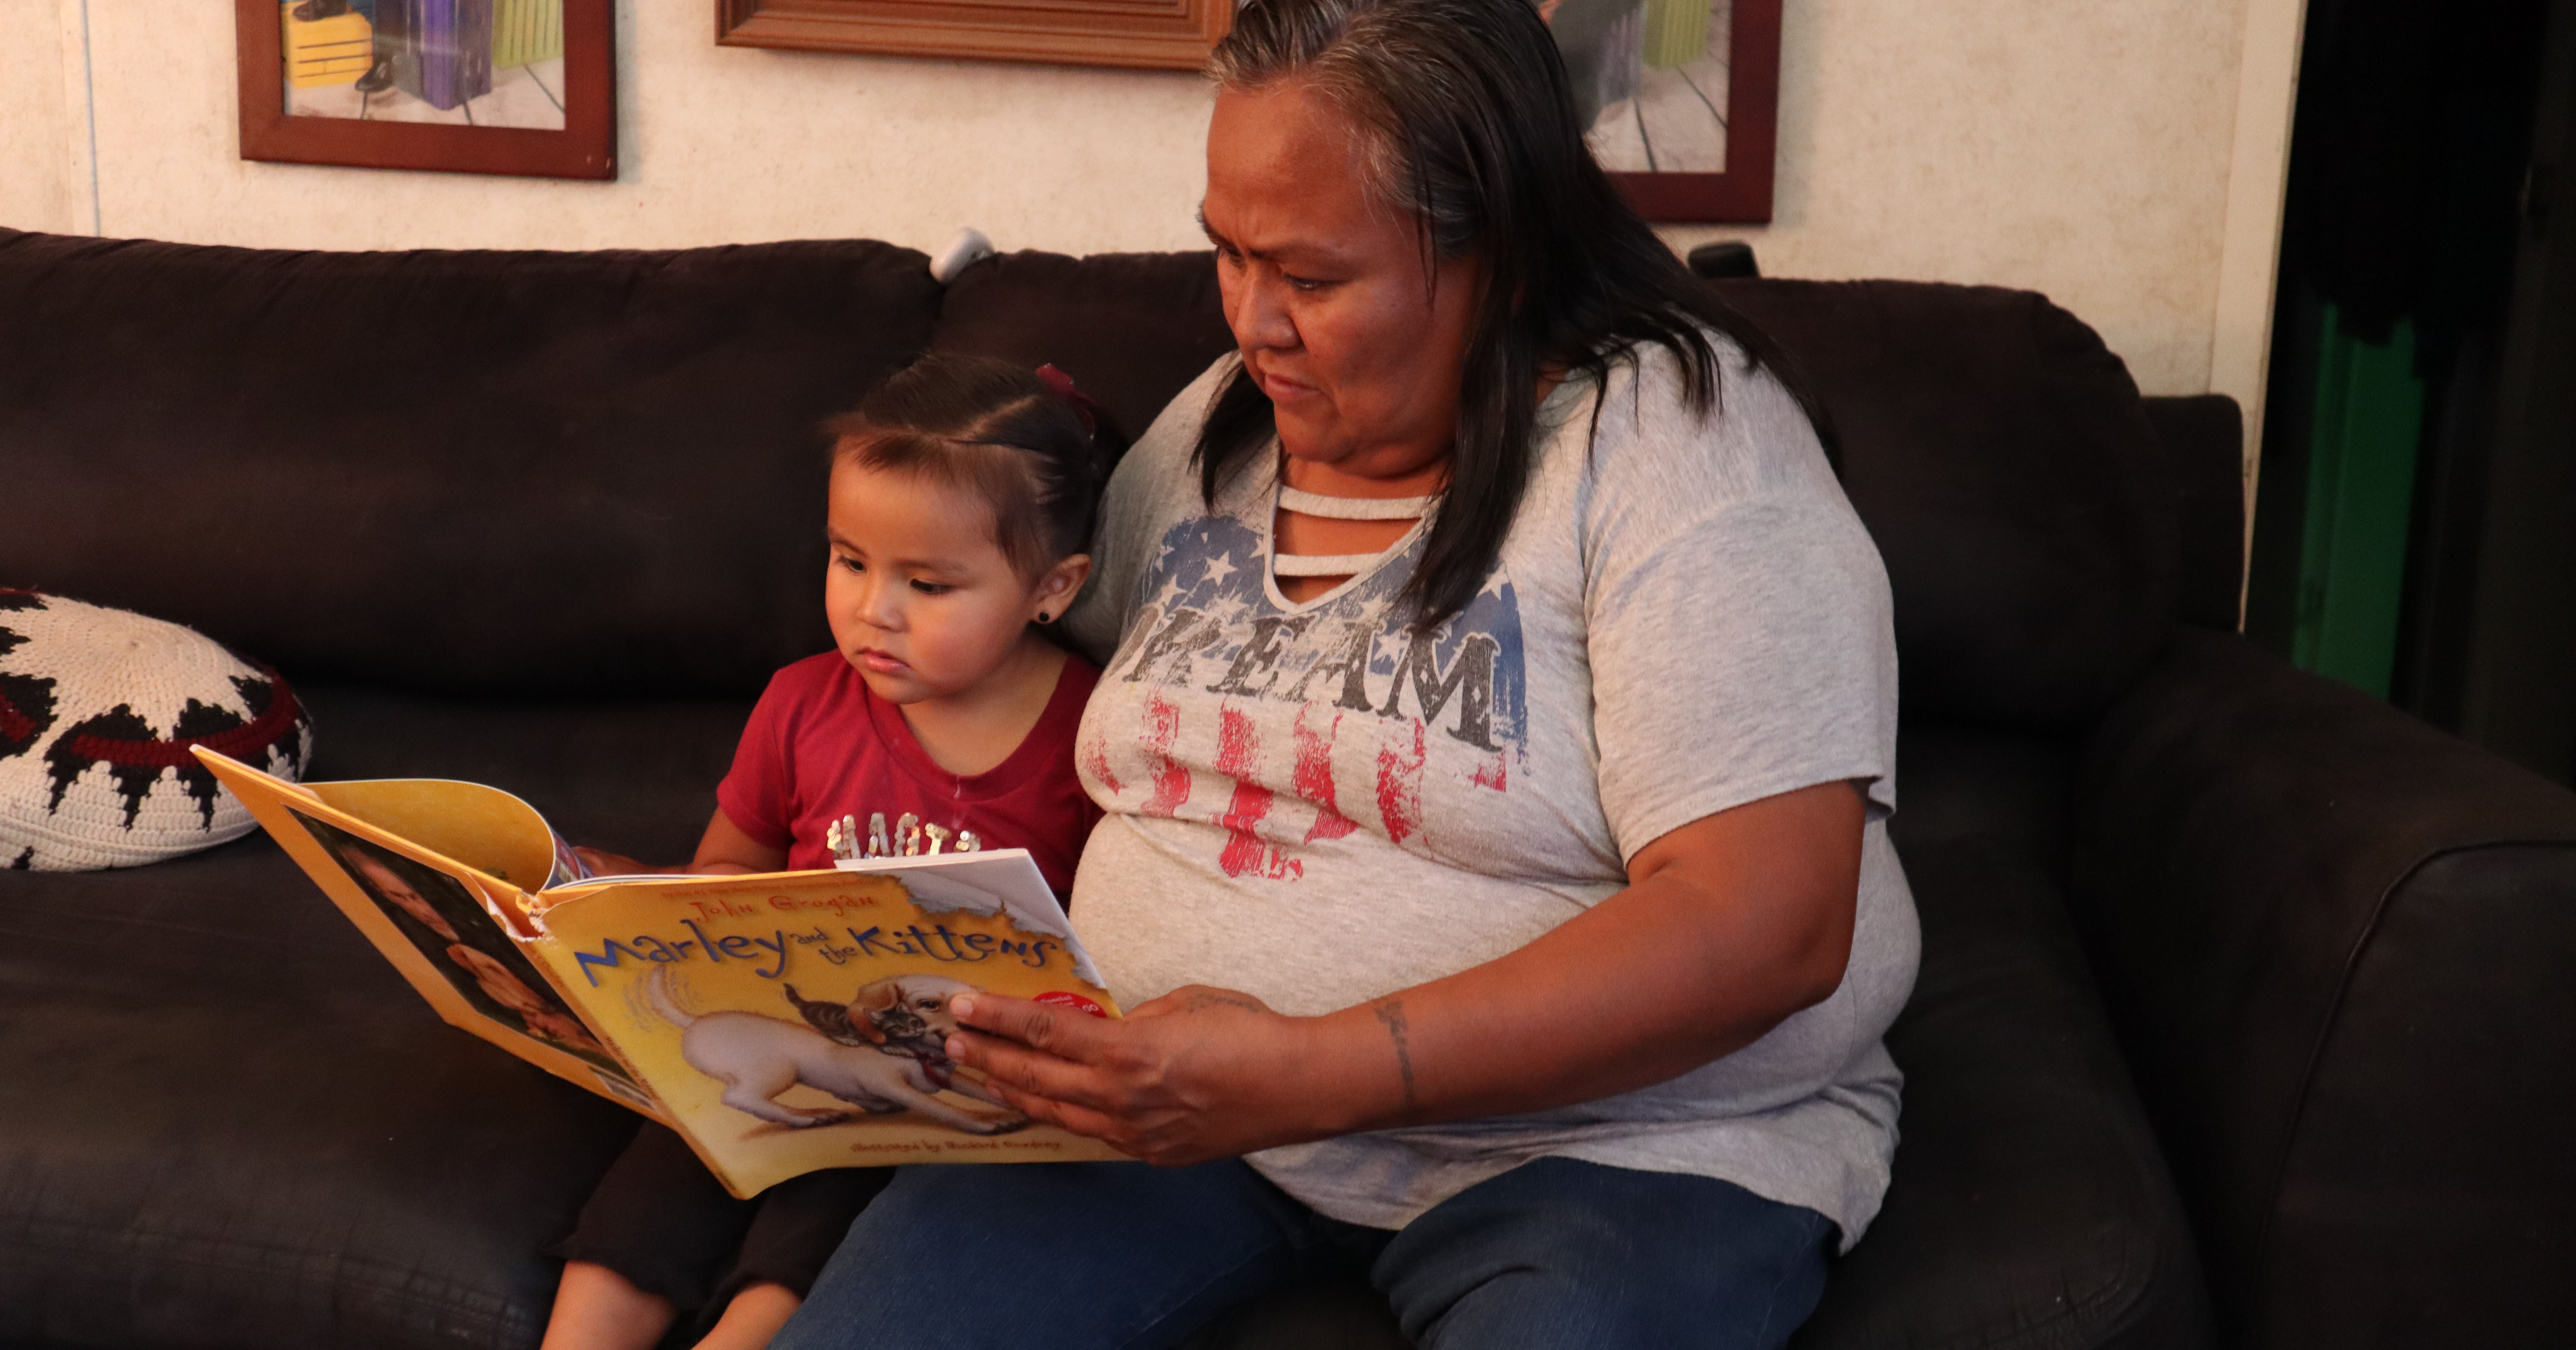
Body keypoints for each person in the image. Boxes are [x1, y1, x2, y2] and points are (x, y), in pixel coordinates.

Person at [773, 2, 1917, 1348]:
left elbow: (1766, 925)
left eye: (1311, 279)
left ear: (1502, 254)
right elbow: (1015, 676)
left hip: (1621, 1149)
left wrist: (1310, 1070)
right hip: (1169, 1120)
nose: (1253, 322)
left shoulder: (1685, 454)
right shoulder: (1224, 426)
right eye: (1227, 252)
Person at [538, 354, 1115, 1350]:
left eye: (928, 583)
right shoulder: (801, 703)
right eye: (851, 561)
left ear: (1052, 589)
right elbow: (724, 877)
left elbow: (1103, 963)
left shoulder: (1094, 739)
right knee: (663, 1175)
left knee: (826, 1222)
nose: (873, 610)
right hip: (780, 1031)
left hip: (939, 1087)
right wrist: (611, 896)